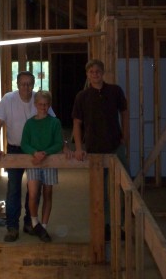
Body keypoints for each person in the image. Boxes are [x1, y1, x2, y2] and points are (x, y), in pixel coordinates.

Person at [0, 71, 55, 242]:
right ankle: (12, 227)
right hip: (15, 149)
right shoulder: (8, 99)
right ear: (17, 84)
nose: (26, 87)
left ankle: (29, 223)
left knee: (34, 190)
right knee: (13, 188)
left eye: (29, 84)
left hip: (36, 151)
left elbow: (52, 120)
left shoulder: (38, 99)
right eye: (22, 84)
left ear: (33, 85)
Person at [71, 58, 130, 241]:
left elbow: (125, 112)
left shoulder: (115, 91)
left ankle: (118, 226)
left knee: (121, 188)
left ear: (102, 73)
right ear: (87, 75)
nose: (95, 74)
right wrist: (79, 148)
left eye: (98, 71)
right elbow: (77, 123)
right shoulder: (82, 96)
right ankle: (103, 226)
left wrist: (125, 135)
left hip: (115, 146)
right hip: (95, 149)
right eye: (91, 72)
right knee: (100, 191)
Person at [21, 90, 63, 242]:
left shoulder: (55, 122)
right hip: (34, 162)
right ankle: (34, 222)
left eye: (46, 105)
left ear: (49, 105)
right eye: (40, 104)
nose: (43, 107)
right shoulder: (30, 123)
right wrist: (34, 153)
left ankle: (43, 227)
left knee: (48, 194)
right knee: (33, 194)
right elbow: (24, 143)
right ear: (35, 105)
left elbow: (59, 143)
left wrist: (45, 153)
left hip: (49, 162)